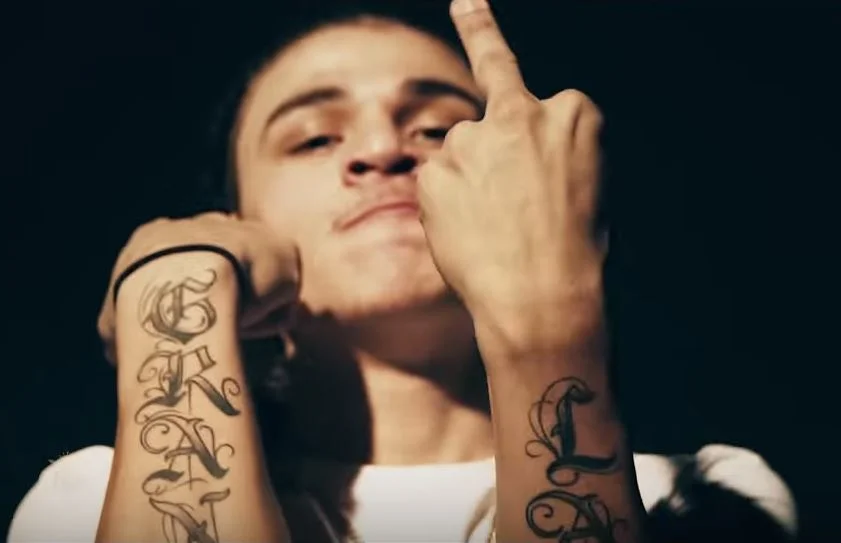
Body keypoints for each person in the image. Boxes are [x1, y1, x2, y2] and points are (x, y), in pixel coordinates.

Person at [8, 1, 797, 542]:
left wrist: (550, 322)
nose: (383, 149)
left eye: (440, 128)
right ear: (238, 219)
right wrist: (177, 281)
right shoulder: (92, 501)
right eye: (313, 138)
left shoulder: (699, 495)